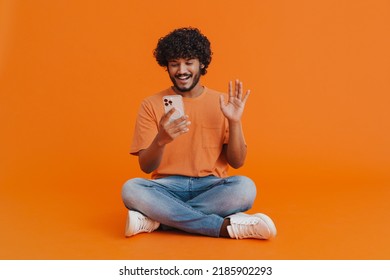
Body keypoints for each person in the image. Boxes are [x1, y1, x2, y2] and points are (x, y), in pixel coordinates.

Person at [121, 27, 277, 240]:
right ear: (166, 66)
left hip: (211, 185)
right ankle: (223, 228)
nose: (181, 70)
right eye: (174, 63)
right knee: (131, 189)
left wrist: (234, 122)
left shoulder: (222, 103)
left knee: (245, 187)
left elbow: (237, 161)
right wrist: (161, 140)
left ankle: (158, 220)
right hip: (167, 187)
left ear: (201, 63)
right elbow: (147, 166)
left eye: (188, 62)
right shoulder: (151, 104)